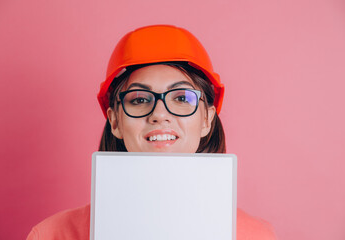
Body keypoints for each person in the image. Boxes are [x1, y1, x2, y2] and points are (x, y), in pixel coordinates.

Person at [26, 25, 277, 240]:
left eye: (181, 97)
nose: (159, 113)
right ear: (115, 122)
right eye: (139, 99)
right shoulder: (53, 234)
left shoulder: (255, 235)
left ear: (206, 120)